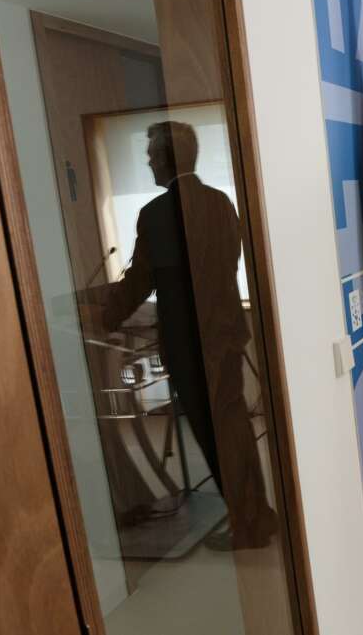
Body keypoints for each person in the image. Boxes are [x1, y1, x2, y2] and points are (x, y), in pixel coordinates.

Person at [102, 120, 276, 550]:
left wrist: (105, 317)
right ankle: (259, 515)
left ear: (166, 157)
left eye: (151, 154)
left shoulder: (157, 215)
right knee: (233, 426)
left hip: (191, 344)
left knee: (216, 434)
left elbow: (140, 280)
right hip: (227, 334)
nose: (146, 160)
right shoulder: (221, 204)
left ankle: (247, 527)